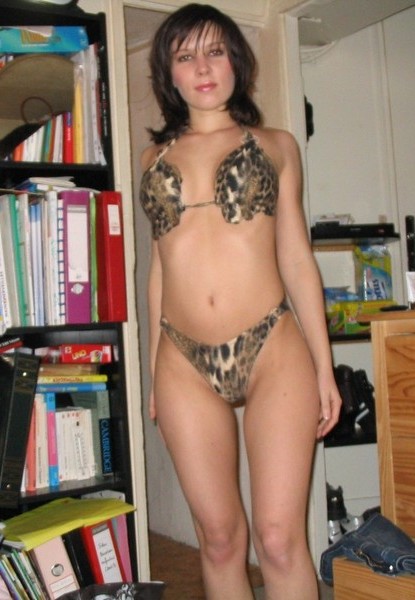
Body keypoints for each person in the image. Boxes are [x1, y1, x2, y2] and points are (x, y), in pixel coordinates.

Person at [139, 4, 342, 599]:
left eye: (215, 51)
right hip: (182, 357)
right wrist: (154, 372)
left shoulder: (277, 145)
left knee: (278, 539)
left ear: (237, 62)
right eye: (186, 56)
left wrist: (325, 368)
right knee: (220, 540)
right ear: (169, 74)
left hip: (272, 344)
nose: (203, 67)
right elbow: (159, 267)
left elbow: (297, 259)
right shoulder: (152, 159)